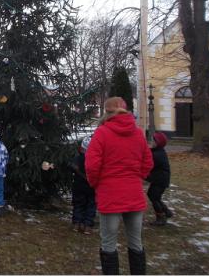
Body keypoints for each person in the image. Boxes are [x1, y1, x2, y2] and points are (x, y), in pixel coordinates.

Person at [85, 97, 153, 275]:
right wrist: (137, 178)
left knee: (108, 243)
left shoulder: (102, 133)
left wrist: (95, 184)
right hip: (133, 193)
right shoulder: (138, 133)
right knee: (136, 242)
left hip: (110, 194)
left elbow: (92, 165)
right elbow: (148, 162)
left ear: (106, 112)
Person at [69, 135, 96, 235]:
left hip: (78, 186)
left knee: (78, 204)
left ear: (81, 148)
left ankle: (77, 223)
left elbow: (72, 167)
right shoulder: (95, 160)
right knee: (91, 205)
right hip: (92, 186)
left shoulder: (77, 158)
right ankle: (88, 225)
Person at [146, 131, 172, 226]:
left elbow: (148, 163)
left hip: (160, 180)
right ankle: (166, 211)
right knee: (155, 196)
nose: (151, 142)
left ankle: (160, 217)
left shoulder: (157, 154)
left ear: (158, 143)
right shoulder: (158, 151)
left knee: (153, 196)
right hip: (160, 179)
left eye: (153, 141)